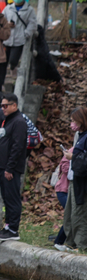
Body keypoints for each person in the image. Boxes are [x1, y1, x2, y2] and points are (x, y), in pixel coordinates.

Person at [0, 93, 28, 239]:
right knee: (6, 198)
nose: (3, 109)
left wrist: (10, 167)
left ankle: (13, 229)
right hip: (1, 166)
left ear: (14, 105)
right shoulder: (8, 120)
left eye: (5, 106)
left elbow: (17, 147)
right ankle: (7, 227)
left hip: (10, 169)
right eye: (1, 106)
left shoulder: (19, 122)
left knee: (12, 198)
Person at [59, 106, 87, 252]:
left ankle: (81, 245)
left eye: (73, 121)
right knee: (70, 213)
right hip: (74, 180)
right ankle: (70, 243)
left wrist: (72, 157)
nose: (72, 124)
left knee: (79, 215)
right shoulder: (80, 136)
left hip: (82, 183)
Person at [2, 0, 34, 76]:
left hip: (19, 40)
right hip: (7, 38)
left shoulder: (29, 10)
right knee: (3, 62)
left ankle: (13, 69)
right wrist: (7, 24)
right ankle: (1, 83)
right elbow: (1, 19)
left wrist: (26, 34)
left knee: (13, 60)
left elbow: (32, 23)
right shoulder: (8, 8)